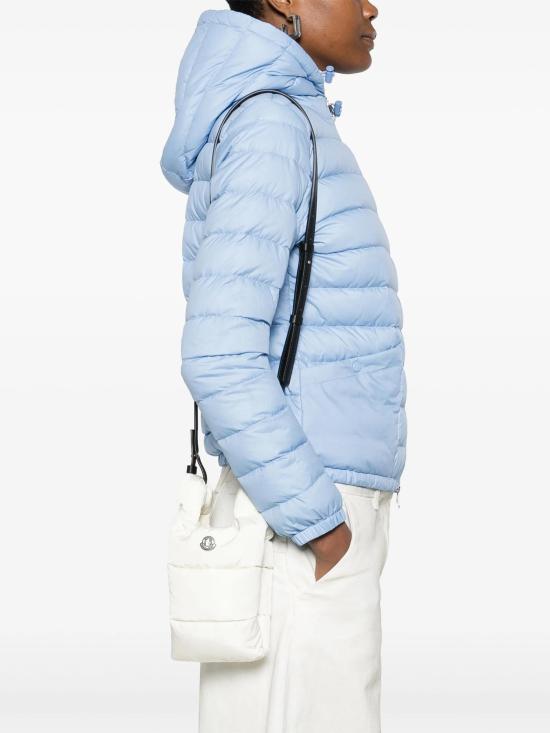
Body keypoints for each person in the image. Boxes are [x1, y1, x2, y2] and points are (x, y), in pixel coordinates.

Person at [160, 2, 407, 731]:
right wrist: (321, 525)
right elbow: (218, 351)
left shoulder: (283, 117)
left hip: (299, 513)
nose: (371, 7)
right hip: (298, 521)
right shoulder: (272, 122)